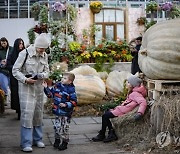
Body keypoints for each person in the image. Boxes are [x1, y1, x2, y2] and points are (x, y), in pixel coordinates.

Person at [12, 34, 49, 152]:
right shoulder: (24, 53)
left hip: (38, 89)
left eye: (44, 49)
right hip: (26, 89)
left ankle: (38, 139)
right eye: (41, 49)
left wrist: (42, 75)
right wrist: (25, 79)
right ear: (36, 46)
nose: (42, 51)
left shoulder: (45, 55)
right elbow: (15, 70)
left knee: (38, 114)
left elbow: (47, 70)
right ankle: (26, 143)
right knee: (27, 115)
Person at [92, 75, 147, 143]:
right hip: (121, 109)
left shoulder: (135, 94)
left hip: (122, 111)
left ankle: (106, 134)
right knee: (106, 113)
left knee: (105, 116)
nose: (127, 83)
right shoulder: (133, 92)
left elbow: (143, 102)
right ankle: (107, 133)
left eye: (129, 82)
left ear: (133, 85)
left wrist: (140, 113)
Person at [43, 72, 77, 151]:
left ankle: (65, 142)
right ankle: (57, 140)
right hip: (57, 111)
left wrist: (66, 104)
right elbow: (50, 95)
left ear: (70, 81)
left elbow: (74, 102)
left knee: (65, 127)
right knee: (56, 127)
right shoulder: (57, 86)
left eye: (65, 78)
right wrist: (46, 87)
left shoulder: (71, 90)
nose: (62, 79)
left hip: (66, 113)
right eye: (62, 77)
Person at [6, 38, 25, 119]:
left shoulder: (25, 53)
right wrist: (15, 68)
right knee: (15, 93)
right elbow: (8, 65)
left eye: (22, 43)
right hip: (14, 77)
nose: (21, 45)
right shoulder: (12, 54)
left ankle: (21, 111)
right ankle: (18, 110)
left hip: (23, 77)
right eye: (19, 43)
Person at [0, 37, 13, 110]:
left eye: (4, 43)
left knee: (12, 87)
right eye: (2, 43)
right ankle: (4, 101)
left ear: (7, 42)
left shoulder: (11, 49)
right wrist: (1, 63)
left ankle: (13, 101)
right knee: (4, 86)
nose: (3, 44)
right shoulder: (0, 51)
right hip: (3, 71)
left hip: (10, 71)